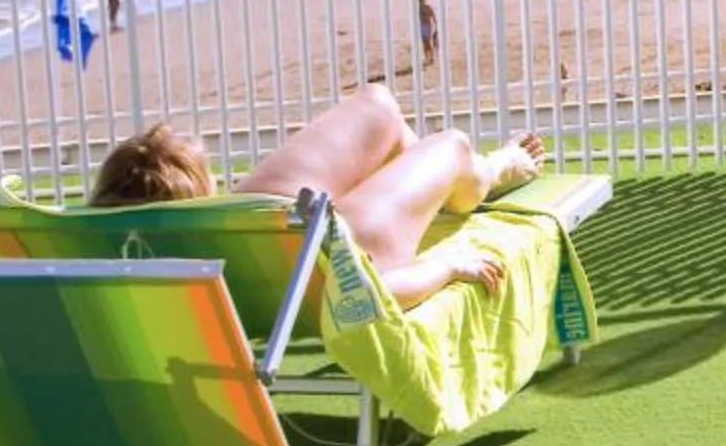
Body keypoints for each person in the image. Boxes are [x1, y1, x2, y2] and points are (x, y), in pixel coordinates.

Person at [87, 85, 544, 313]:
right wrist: (449, 267)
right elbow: (372, 295)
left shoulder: (111, 273)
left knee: (378, 103)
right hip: (333, 248)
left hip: (274, 235)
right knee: (453, 146)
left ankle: (426, 180)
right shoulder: (217, 256)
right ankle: (487, 171)